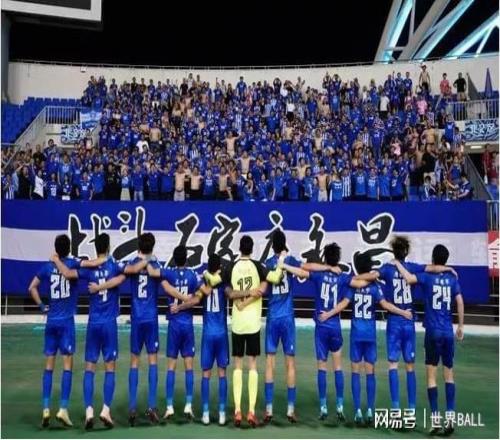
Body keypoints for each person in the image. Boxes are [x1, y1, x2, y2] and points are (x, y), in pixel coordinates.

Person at [356, 236, 457, 413]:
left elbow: (371, 276)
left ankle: (395, 409)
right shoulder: (412, 267)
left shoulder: (387, 268)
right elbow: (433, 268)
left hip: (394, 322)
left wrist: (353, 277)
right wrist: (448, 268)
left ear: (393, 252)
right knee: (410, 366)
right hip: (409, 321)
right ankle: (411, 410)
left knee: (393, 365)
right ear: (406, 252)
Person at [281, 243, 373, 422]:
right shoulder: (342, 277)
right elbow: (361, 282)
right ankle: (339, 406)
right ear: (338, 258)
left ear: (325, 258)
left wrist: (284, 266)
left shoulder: (319, 275)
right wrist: (373, 275)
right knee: (338, 367)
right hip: (335, 326)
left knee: (321, 367)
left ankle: (323, 407)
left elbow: (302, 270)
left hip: (321, 327)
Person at [203, 235, 284, 428]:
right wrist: (281, 261)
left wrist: (205, 273)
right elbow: (276, 277)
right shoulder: (258, 266)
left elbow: (212, 280)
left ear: (239, 248)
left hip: (238, 324)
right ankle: (251, 412)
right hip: (253, 324)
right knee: (253, 365)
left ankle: (238, 411)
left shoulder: (231, 267)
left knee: (238, 366)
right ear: (252, 249)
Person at [324, 253, 412, 425]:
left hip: (356, 335)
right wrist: (403, 312)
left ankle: (358, 410)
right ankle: (370, 409)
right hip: (370, 335)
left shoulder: (353, 285)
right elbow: (385, 305)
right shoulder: (374, 286)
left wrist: (328, 314)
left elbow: (343, 304)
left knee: (355, 372)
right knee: (370, 373)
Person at [28, 235, 104, 428]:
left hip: (51, 321)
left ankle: (46, 408)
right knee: (67, 365)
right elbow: (92, 263)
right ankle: (63, 409)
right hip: (66, 322)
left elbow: (32, 287)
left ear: (56, 248)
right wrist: (106, 258)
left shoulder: (47, 267)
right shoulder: (73, 263)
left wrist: (42, 306)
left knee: (49, 366)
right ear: (69, 248)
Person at [88, 233, 162, 426]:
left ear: (139, 246)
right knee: (153, 360)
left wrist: (99, 287)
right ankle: (152, 405)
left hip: (136, 318)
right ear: (152, 247)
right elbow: (165, 283)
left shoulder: (131, 264)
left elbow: (119, 279)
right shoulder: (156, 264)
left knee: (134, 361)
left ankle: (132, 407)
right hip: (151, 318)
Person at [50, 233, 122, 429]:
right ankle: (105, 410)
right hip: (109, 324)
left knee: (89, 367)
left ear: (95, 247)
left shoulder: (88, 268)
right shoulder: (114, 266)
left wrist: (56, 260)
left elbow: (67, 273)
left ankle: (89, 410)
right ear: (108, 247)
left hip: (93, 323)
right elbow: (128, 272)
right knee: (110, 368)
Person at [393, 244, 464, 435]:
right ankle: (450, 418)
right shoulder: (452, 278)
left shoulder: (426, 277)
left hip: (432, 332)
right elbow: (459, 301)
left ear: (433, 259)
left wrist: (397, 264)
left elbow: (409, 278)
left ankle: (435, 421)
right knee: (449, 374)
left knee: (431, 376)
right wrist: (460, 326)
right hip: (447, 331)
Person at [146, 245, 206, 421]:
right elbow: (197, 298)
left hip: (174, 325)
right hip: (187, 325)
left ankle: (170, 407)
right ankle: (188, 406)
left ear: (173, 258)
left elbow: (152, 272)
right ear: (186, 258)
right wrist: (185, 302)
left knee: (171, 367)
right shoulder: (193, 276)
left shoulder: (169, 273)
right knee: (189, 367)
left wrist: (149, 257)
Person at [172, 254, 229, 426]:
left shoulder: (203, 284)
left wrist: (179, 307)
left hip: (208, 335)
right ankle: (222, 413)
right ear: (219, 267)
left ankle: (205, 413)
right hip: (222, 334)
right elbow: (231, 294)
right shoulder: (224, 283)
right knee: (222, 374)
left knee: (206, 374)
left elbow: (194, 300)